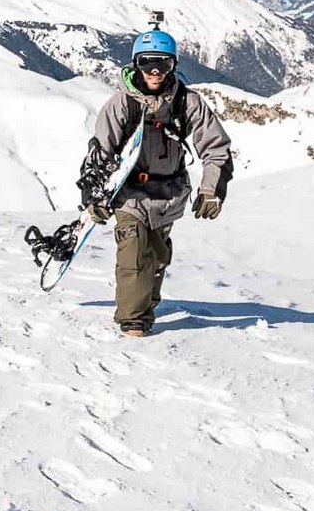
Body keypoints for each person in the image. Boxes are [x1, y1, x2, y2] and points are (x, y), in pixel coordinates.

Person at [77, 27, 233, 337]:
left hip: (169, 193)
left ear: (173, 65)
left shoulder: (187, 102)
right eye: (147, 63)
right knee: (134, 252)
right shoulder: (123, 103)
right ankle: (133, 320)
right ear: (136, 64)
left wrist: (211, 190)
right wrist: (95, 196)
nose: (155, 71)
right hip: (129, 193)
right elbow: (101, 150)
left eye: (163, 63)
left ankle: (146, 303)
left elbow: (216, 147)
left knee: (157, 256)